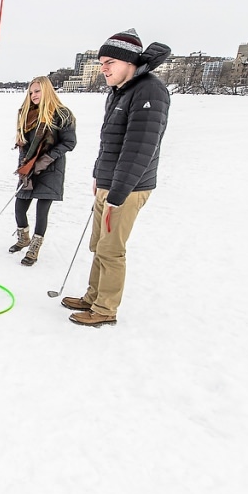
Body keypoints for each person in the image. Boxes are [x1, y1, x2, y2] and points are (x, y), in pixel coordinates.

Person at [62, 29, 171, 327]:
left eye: (109, 61)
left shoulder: (149, 90)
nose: (104, 68)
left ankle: (105, 309)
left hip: (128, 187)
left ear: (129, 61)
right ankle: (93, 296)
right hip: (110, 183)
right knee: (99, 244)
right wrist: (100, 175)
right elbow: (111, 141)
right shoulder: (120, 91)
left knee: (111, 249)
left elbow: (140, 148)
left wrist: (118, 192)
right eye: (101, 63)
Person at [9, 76, 77, 266]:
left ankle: (34, 247)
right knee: (20, 207)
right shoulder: (26, 113)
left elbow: (69, 142)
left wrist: (46, 159)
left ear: (47, 90)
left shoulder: (62, 114)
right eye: (31, 92)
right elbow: (23, 143)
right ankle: (24, 238)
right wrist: (24, 165)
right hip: (29, 167)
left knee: (42, 210)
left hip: (51, 168)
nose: (33, 95)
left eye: (37, 91)